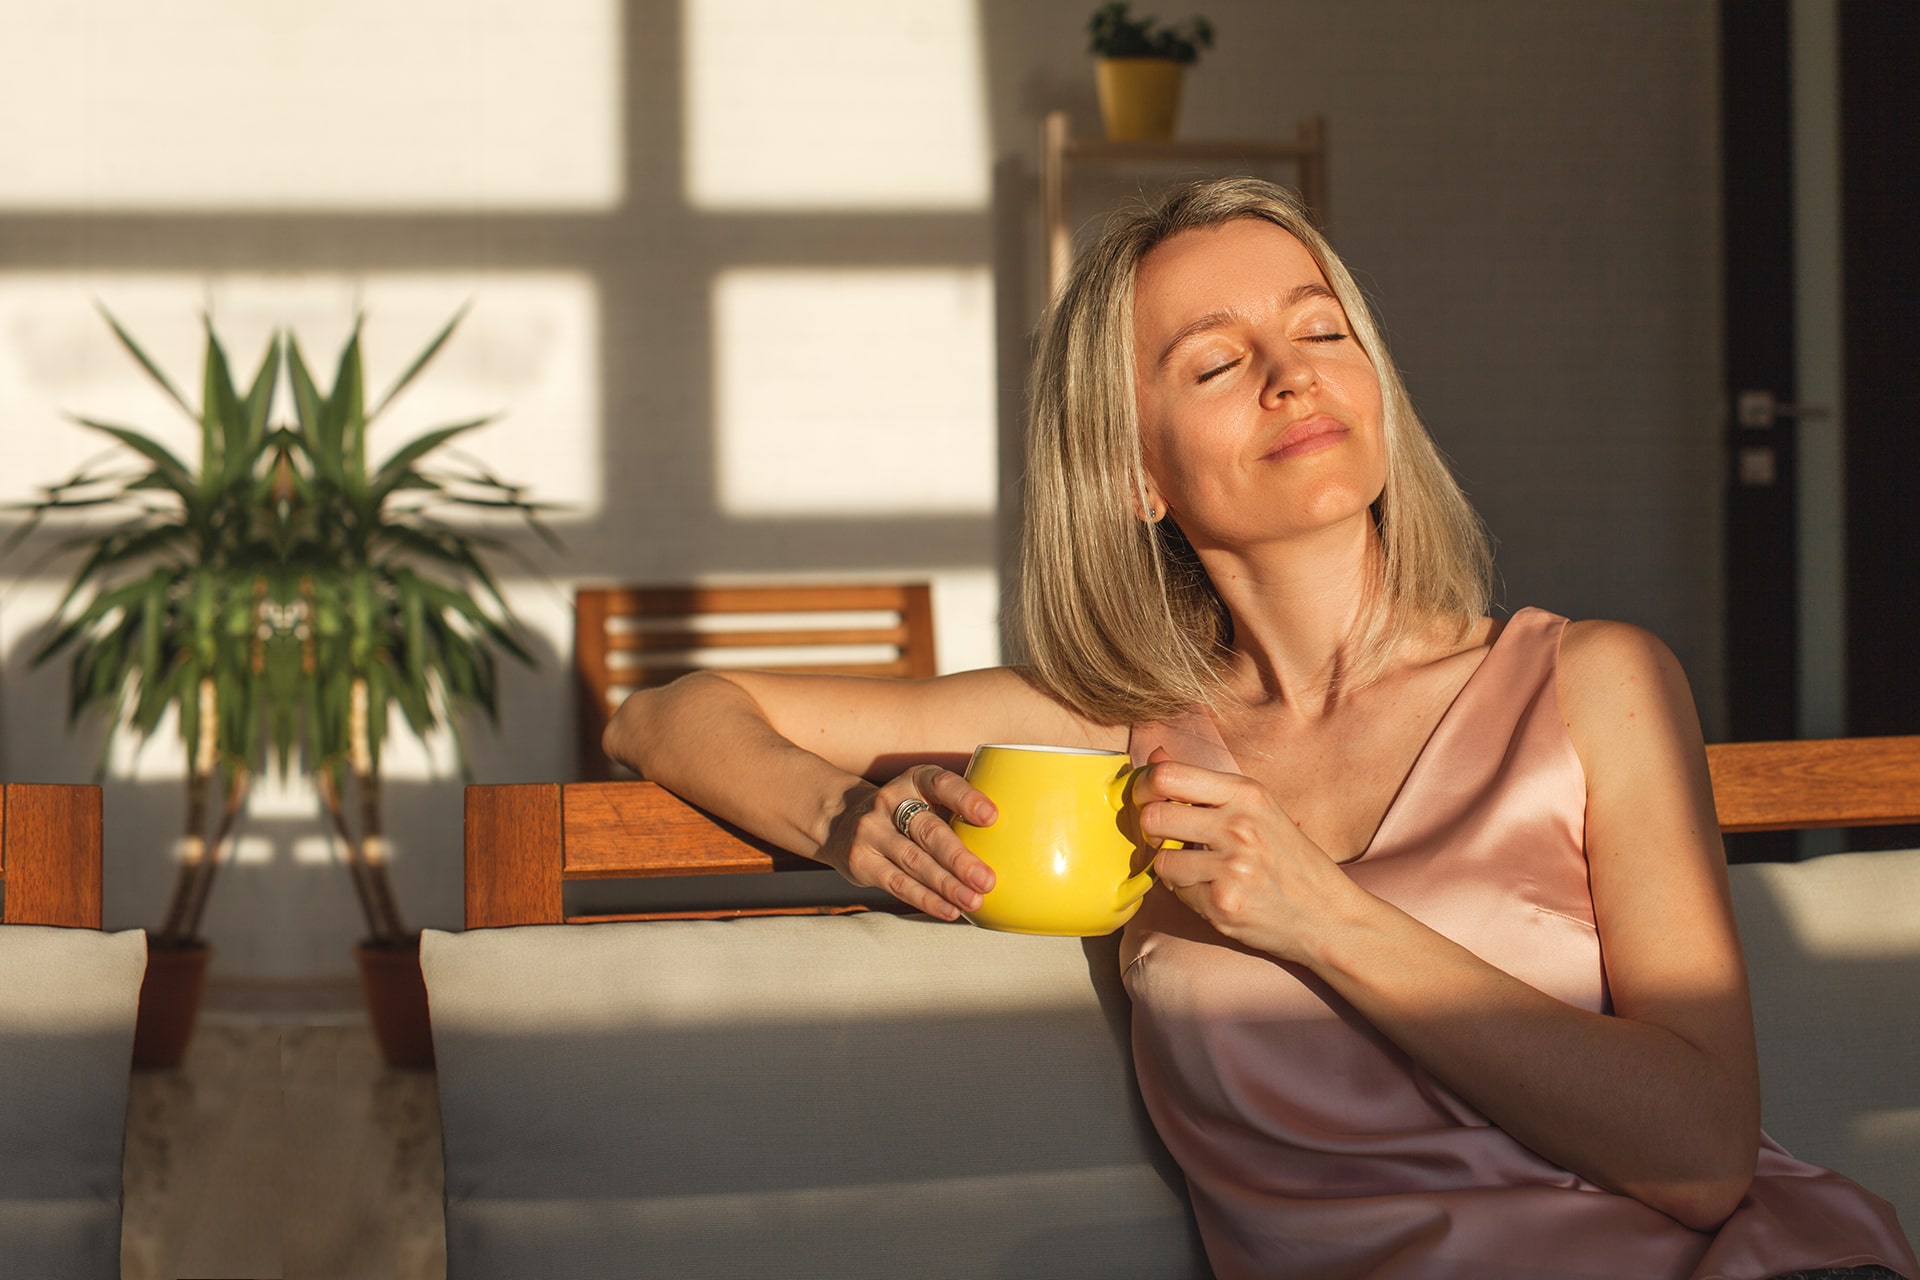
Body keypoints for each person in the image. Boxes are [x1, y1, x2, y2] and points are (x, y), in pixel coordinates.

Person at [603, 177, 1916, 1280]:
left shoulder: (1596, 684)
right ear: (1132, 473)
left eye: (1321, 331)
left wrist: (1315, 912)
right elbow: (662, 715)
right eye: (1222, 363)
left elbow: (1698, 1158)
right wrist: (840, 817)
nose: (1295, 377)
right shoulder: (1112, 740)